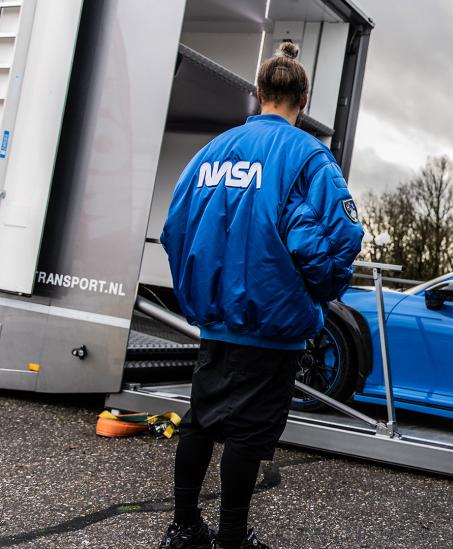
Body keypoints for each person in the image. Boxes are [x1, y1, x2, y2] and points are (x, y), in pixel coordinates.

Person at [157, 41, 364, 549]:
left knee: (201, 420)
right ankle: (230, 539)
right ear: (304, 98)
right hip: (273, 323)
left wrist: (199, 289)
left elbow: (175, 227)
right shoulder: (309, 157)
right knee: (248, 433)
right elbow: (340, 239)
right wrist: (320, 292)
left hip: (216, 319)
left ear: (257, 93)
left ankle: (183, 529)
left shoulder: (213, 150)